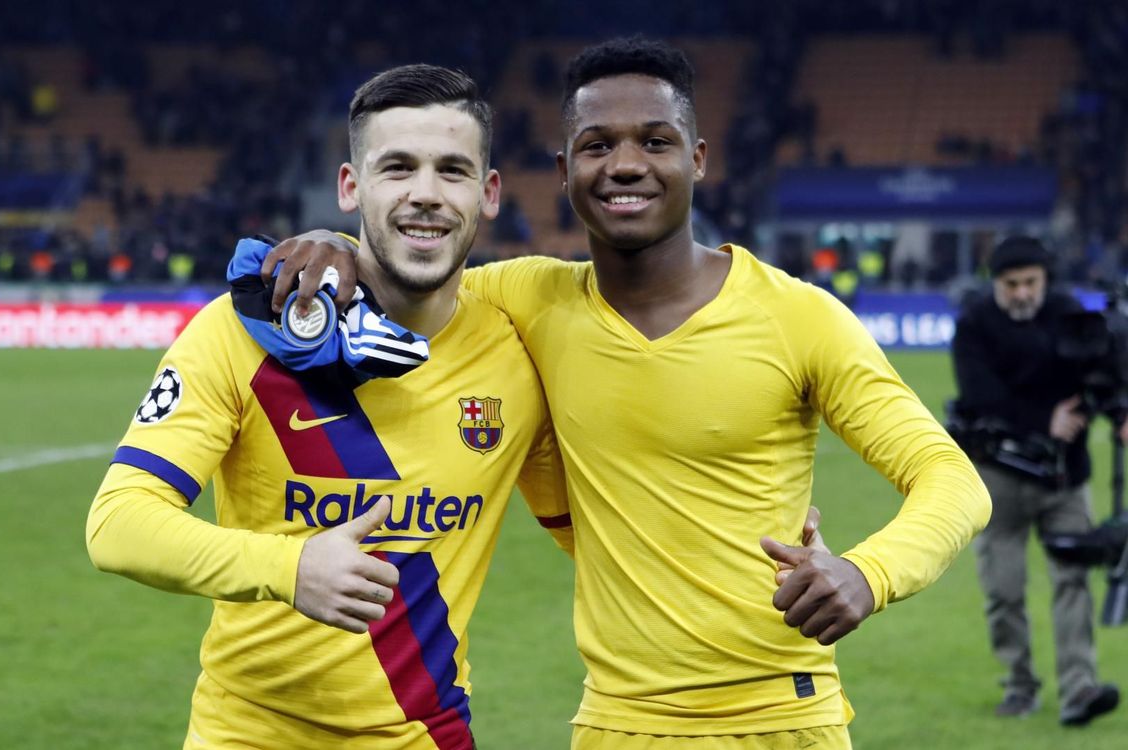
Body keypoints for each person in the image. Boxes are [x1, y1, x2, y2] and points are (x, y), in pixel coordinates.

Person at [269, 37, 991, 749]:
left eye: (655, 141)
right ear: (564, 171)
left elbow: (951, 480)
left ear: (696, 159)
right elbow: (409, 274)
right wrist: (337, 244)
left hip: (782, 718)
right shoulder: (526, 298)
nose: (624, 164)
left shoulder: (798, 317)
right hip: (615, 723)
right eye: (597, 145)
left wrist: (868, 574)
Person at [85, 65, 577, 750]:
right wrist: (290, 569)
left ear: (489, 193)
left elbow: (593, 536)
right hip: (247, 734)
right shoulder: (245, 329)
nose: (425, 193)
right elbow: (118, 523)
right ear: (351, 186)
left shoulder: (517, 355)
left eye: (453, 170)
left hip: (423, 734)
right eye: (397, 167)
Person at [951, 235, 1121, 726]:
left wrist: (1118, 411)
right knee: (1004, 590)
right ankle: (1019, 685)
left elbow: (1101, 375)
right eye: (1012, 284)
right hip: (998, 479)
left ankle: (1080, 688)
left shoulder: (1070, 313)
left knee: (1073, 580)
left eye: (1031, 282)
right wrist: (1044, 419)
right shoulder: (975, 323)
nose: (1023, 292)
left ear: (1046, 280)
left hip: (1065, 477)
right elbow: (980, 395)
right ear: (995, 283)